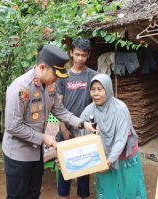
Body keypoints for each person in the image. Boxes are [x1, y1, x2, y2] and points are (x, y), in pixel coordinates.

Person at [2, 44, 86, 199]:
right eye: (55, 75)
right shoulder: (21, 88)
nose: (56, 79)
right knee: (17, 196)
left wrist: (82, 123)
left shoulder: (50, 85)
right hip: (18, 155)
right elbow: (12, 126)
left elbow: (60, 110)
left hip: (37, 153)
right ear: (42, 67)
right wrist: (44, 138)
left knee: (34, 193)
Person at [80, 74, 147, 199]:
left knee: (128, 187)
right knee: (107, 187)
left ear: (108, 89)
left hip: (124, 154)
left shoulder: (120, 108)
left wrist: (109, 161)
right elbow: (80, 127)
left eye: (100, 89)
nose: (96, 93)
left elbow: (121, 140)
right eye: (93, 89)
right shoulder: (89, 110)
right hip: (104, 156)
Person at [56, 38, 98, 199]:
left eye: (84, 55)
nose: (80, 58)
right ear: (71, 53)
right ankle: (63, 195)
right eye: (77, 54)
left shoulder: (93, 76)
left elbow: (96, 104)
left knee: (84, 168)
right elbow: (58, 106)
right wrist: (63, 128)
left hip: (86, 128)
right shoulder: (63, 76)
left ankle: (83, 195)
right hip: (66, 128)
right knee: (64, 167)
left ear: (88, 55)